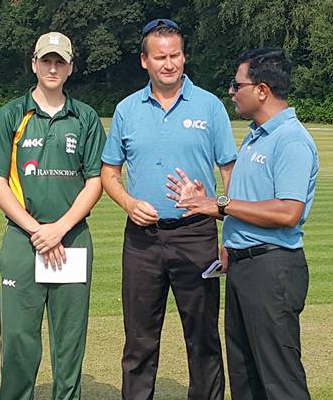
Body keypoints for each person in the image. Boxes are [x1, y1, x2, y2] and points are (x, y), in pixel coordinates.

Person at [101, 18, 237, 400]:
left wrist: (232, 235)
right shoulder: (127, 109)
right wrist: (128, 203)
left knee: (203, 338)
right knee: (140, 341)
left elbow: (231, 172)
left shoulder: (210, 107)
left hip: (197, 236)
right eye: (160, 56)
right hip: (142, 241)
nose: (169, 63)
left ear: (184, 57)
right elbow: (109, 172)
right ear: (144, 60)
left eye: (175, 55)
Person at [170, 49, 318, 400]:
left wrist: (220, 203)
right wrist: (209, 204)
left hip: (272, 268)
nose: (232, 92)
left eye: (237, 85)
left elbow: (288, 212)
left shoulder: (291, 140)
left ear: (262, 90)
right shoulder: (255, 135)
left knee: (280, 381)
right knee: (245, 376)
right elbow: (246, 205)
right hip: (242, 266)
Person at [0, 32, 106, 400]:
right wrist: (38, 230)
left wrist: (60, 229)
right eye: (46, 61)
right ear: (34, 64)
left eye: (60, 62)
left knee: (69, 342)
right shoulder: (12, 114)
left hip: (72, 239)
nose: (52, 68)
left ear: (70, 67)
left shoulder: (85, 118)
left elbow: (95, 181)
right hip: (23, 240)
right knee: (18, 340)